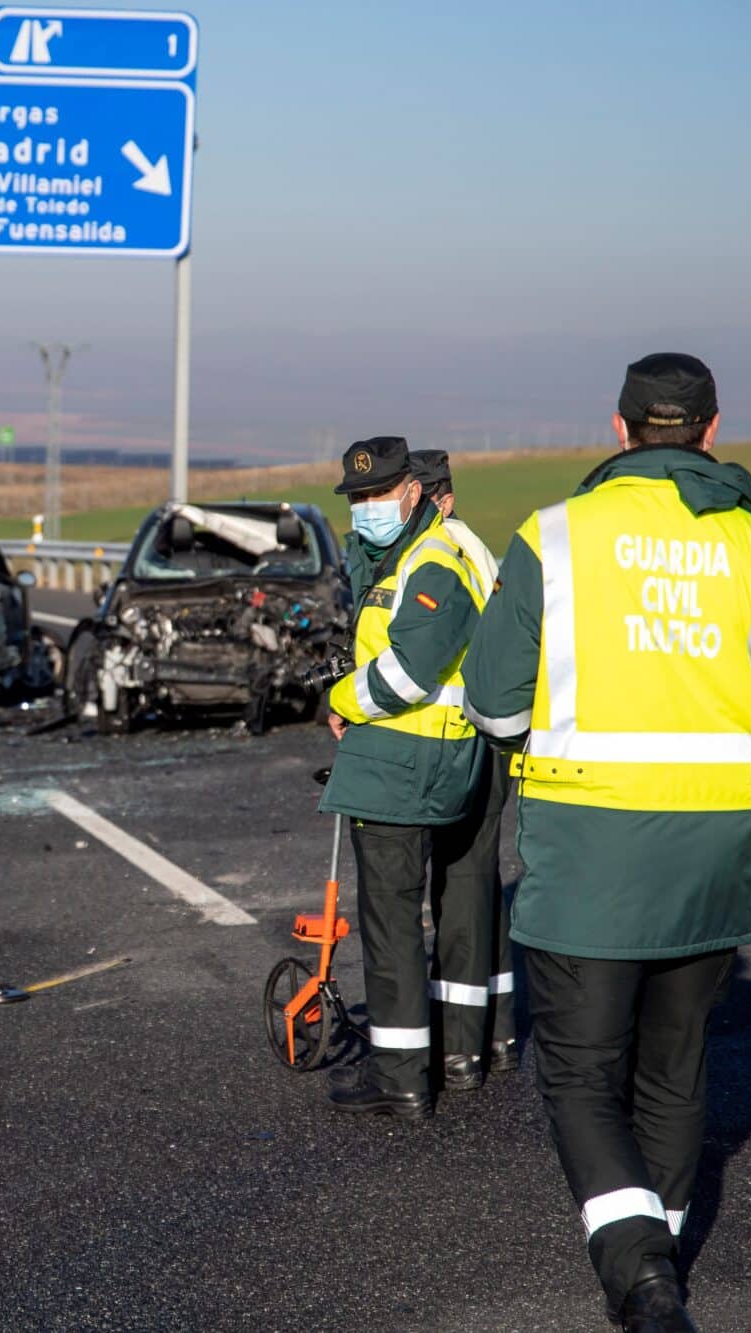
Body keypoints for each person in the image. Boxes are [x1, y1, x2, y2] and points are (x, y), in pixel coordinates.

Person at [461, 353, 751, 1332]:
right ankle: (664, 1253)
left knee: (575, 1069)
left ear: (615, 431)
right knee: (673, 1063)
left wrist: (542, 734)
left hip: (588, 854)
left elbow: (490, 703)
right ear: (711, 429)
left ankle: (641, 1272)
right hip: (719, 858)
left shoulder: (553, 537)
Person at [319, 436, 491, 1117]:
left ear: (414, 492)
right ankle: (449, 1055)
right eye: (357, 497)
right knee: (436, 911)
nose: (366, 507)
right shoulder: (411, 551)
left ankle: (399, 1077)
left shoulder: (434, 559)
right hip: (421, 757)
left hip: (405, 760)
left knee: (390, 923)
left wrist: (340, 698)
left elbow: (410, 672)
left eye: (377, 493)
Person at [407, 448, 517, 1086]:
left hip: (464, 742)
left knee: (463, 895)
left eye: (417, 498)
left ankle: (459, 1049)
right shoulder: (473, 547)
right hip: (485, 739)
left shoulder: (447, 551)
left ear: (441, 499)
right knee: (478, 890)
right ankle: (497, 1034)